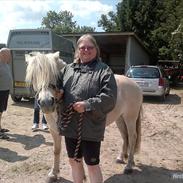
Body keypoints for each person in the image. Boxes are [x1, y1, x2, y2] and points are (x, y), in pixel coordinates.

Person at [56, 34, 117, 183]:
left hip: (91, 127)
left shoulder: (104, 71)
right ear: (78, 50)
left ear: (96, 49)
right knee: (74, 161)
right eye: (82, 47)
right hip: (70, 126)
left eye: (90, 47)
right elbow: (58, 87)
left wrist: (87, 105)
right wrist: (58, 93)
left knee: (92, 165)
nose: (86, 50)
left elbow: (110, 98)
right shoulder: (67, 70)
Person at [0, 48, 13, 139]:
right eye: (8, 55)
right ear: (2, 55)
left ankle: (0, 128)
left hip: (5, 91)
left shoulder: (6, 64)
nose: (10, 56)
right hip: (0, 91)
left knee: (1, 111)